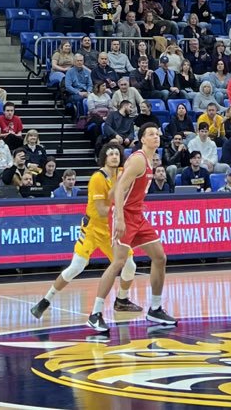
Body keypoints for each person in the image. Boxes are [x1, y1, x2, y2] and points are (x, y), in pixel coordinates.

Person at [30, 144, 141, 319]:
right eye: (110, 154)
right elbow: (103, 210)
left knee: (130, 265)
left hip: (110, 230)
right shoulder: (98, 178)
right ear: (104, 157)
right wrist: (121, 200)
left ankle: (122, 300)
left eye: (117, 153)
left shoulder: (122, 173)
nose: (114, 156)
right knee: (76, 267)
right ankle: (45, 300)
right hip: (93, 228)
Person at [86, 124, 176, 332]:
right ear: (142, 139)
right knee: (118, 262)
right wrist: (118, 218)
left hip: (138, 216)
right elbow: (119, 189)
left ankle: (155, 308)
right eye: (151, 134)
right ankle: (95, 313)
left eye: (157, 133)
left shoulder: (151, 159)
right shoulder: (137, 159)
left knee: (160, 257)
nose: (156, 136)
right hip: (125, 215)